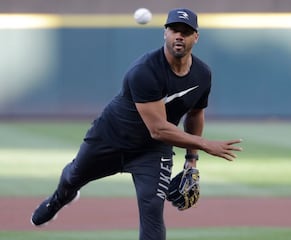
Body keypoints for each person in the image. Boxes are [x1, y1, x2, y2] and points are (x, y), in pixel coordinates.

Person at [30, 8, 242, 240]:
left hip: (152, 151)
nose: (179, 36)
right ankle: (60, 198)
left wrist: (192, 160)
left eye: (186, 31)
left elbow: (195, 114)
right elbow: (158, 128)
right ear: (165, 33)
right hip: (111, 137)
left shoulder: (202, 75)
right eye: (174, 30)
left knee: (152, 212)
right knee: (72, 177)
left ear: (196, 37)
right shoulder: (144, 71)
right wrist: (204, 144)